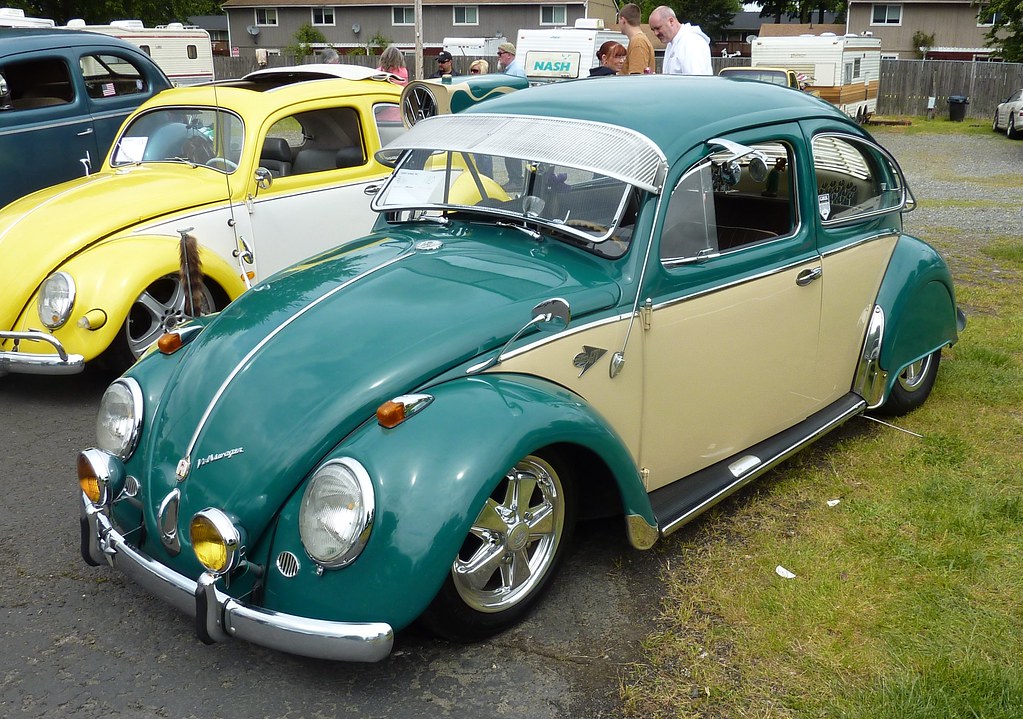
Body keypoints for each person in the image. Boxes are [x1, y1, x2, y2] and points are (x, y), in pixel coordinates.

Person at [648, 5, 713, 76]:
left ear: (671, 21)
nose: (656, 33)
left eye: (658, 28)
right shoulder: (672, 43)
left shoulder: (692, 42)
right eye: (653, 30)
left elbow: (696, 80)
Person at [617, 3, 655, 75]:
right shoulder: (639, 40)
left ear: (623, 20)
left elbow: (636, 77)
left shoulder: (638, 42)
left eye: (618, 20)